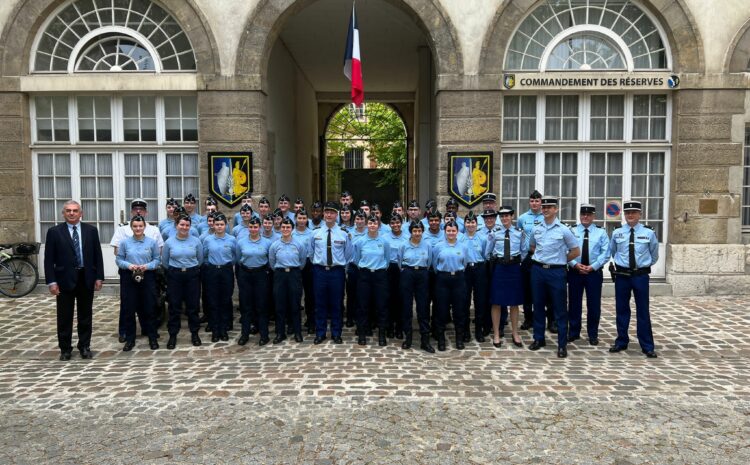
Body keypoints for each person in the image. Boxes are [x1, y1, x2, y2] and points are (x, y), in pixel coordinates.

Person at [44, 200, 104, 361]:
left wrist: (99, 277)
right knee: (64, 317)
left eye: (75, 210)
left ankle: (84, 346)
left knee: (85, 315)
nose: (71, 213)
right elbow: (48, 259)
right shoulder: (54, 232)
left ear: (81, 213)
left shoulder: (91, 231)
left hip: (86, 278)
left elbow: (97, 255)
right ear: (63, 213)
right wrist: (51, 282)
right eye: (68, 211)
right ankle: (65, 349)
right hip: (64, 280)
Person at [528, 198, 580, 358]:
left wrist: (560, 260)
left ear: (556, 209)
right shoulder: (536, 229)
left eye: (549, 207)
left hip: (556, 273)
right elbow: (532, 246)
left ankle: (562, 344)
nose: (545, 209)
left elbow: (575, 251)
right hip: (538, 270)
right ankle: (539, 338)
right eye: (544, 207)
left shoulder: (564, 229)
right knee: (537, 306)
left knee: (559, 309)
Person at [609, 200, 659, 358]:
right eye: (627, 213)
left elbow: (654, 255)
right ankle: (621, 340)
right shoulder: (617, 233)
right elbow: (613, 251)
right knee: (621, 309)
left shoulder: (648, 233)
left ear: (640, 214)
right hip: (622, 276)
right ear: (624, 214)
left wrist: (642, 267)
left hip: (640, 276)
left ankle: (647, 345)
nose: (630, 215)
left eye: (634, 212)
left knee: (643, 310)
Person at [110, 198, 164, 342]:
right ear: (131, 211)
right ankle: (125, 332)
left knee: (149, 302)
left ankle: (148, 329)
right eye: (135, 209)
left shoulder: (154, 229)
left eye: (141, 209)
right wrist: (130, 264)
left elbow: (159, 251)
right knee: (127, 304)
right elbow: (117, 251)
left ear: (146, 212)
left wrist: (147, 265)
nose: (138, 211)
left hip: (148, 271)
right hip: (129, 271)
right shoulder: (122, 229)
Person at [309, 201, 352, 344]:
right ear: (323, 213)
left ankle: (336, 333)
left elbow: (348, 254)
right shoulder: (315, 233)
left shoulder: (344, 234)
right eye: (327, 212)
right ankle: (320, 333)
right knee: (319, 303)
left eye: (332, 212)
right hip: (319, 271)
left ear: (336, 215)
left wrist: (338, 266)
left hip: (336, 272)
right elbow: (311, 253)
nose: (329, 215)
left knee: (336, 303)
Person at [567, 204, 610, 346]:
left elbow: (606, 253)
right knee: (574, 303)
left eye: (588, 214)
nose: (585, 217)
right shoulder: (571, 230)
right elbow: (566, 249)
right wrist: (574, 264)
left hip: (594, 273)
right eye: (583, 214)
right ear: (579, 215)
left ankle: (593, 334)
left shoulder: (601, 232)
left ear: (593, 216)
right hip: (575, 272)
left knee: (594, 304)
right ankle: (573, 332)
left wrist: (593, 267)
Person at [486, 206, 528, 348]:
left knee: (514, 303)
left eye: (507, 216)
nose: (504, 218)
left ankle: (515, 333)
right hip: (500, 269)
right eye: (502, 216)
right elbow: (488, 251)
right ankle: (497, 333)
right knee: (496, 302)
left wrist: (515, 261)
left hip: (514, 268)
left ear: (512, 216)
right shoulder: (494, 233)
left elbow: (524, 251)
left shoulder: (519, 233)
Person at [162, 214, 204, 349]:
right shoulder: (169, 242)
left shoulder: (196, 241)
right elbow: (165, 261)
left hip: (192, 274)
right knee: (174, 306)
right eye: (182, 224)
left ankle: (194, 333)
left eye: (187, 225)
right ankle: (173, 335)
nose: (184, 227)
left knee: (193, 306)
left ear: (190, 226)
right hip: (175, 275)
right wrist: (175, 271)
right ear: (176, 226)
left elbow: (200, 259)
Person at [353, 214, 391, 346]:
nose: (372, 225)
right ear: (367, 225)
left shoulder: (384, 241)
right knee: (363, 306)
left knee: (381, 306)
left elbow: (387, 259)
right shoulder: (360, 241)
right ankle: (362, 334)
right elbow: (356, 260)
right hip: (365, 275)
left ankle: (382, 334)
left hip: (380, 276)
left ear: (378, 225)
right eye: (370, 223)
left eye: (375, 223)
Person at [431, 221, 469, 351]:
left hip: (458, 279)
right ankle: (441, 340)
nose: (451, 233)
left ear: (457, 232)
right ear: (445, 232)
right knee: (441, 310)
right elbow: (434, 264)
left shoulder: (463, 247)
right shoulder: (438, 246)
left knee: (459, 310)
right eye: (448, 231)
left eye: (453, 231)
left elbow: (465, 264)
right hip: (443, 279)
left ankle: (459, 339)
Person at [268, 218, 307, 344]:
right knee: (279, 305)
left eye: (288, 227)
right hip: (280, 275)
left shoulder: (299, 244)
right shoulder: (275, 245)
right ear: (280, 229)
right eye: (283, 227)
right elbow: (272, 262)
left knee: (295, 305)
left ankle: (297, 332)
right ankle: (280, 333)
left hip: (294, 274)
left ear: (292, 229)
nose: (285, 229)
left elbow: (302, 262)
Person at [236, 217, 272, 346]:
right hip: (246, 274)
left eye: (255, 227)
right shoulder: (241, 242)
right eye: (251, 227)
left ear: (260, 228)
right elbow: (238, 258)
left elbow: (270, 259)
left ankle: (264, 335)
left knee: (262, 306)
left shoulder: (267, 243)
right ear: (248, 228)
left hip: (261, 274)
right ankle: (245, 334)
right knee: (246, 307)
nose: (253, 229)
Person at [399, 220, 434, 353]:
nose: (417, 233)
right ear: (411, 232)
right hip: (408, 273)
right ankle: (407, 338)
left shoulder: (428, 245)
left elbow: (430, 261)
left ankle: (425, 340)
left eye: (419, 231)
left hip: (422, 274)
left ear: (422, 231)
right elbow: (399, 261)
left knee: (423, 306)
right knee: (406, 306)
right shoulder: (404, 245)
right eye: (415, 231)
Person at [202, 213, 237, 342]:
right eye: (217, 224)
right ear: (213, 225)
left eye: (222, 224)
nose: (219, 227)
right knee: (213, 301)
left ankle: (224, 329)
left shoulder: (232, 240)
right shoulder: (208, 240)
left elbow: (235, 256)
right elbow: (204, 256)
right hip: (212, 271)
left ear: (226, 225)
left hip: (226, 271)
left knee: (225, 300)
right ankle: (215, 330)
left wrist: (226, 264)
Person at [517, 190, 545, 331]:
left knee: (543, 289)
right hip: (528, 257)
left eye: (537, 201)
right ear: (529, 202)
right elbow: (518, 236)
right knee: (527, 289)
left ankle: (547, 318)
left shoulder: (545, 216)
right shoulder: (522, 218)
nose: (534, 203)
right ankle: (528, 318)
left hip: (543, 256)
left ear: (541, 202)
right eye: (532, 201)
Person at [462, 211, 488, 343]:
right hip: (466, 270)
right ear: (465, 224)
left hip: (479, 269)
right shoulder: (460, 238)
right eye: (468, 222)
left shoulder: (483, 238)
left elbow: (485, 254)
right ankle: (465, 331)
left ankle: (479, 330)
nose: (470, 224)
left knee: (480, 301)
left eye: (473, 222)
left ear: (477, 224)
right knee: (465, 301)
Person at [385, 213, 409, 339]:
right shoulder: (384, 237)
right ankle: (389, 327)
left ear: (402, 223)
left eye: (398, 222)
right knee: (389, 299)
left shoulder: (407, 237)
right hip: (389, 269)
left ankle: (400, 327)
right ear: (389, 224)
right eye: (393, 223)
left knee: (401, 299)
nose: (395, 225)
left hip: (402, 270)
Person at [293, 209, 316, 334]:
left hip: (309, 265)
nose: (301, 221)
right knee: (295, 295)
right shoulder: (291, 233)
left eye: (304, 218)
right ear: (295, 219)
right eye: (299, 218)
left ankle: (311, 321)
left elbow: (314, 250)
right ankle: (294, 322)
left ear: (307, 220)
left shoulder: (312, 233)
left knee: (310, 295)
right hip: (295, 265)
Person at [345, 209, 368, 329]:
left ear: (366, 220)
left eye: (362, 219)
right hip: (353, 267)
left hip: (365, 268)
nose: (359, 221)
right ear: (354, 220)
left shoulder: (370, 232)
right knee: (351, 294)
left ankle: (362, 318)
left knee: (364, 295)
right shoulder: (349, 233)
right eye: (357, 219)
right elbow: (346, 251)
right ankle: (349, 317)